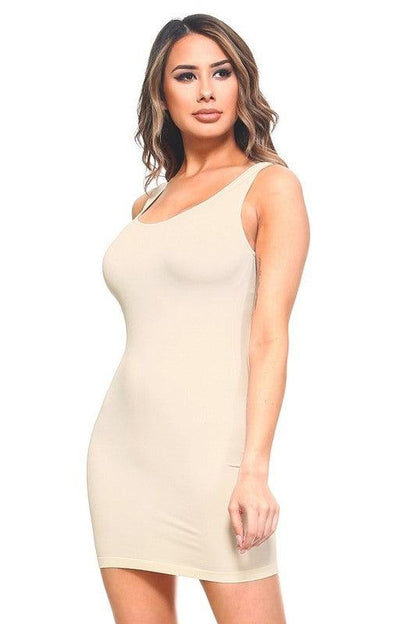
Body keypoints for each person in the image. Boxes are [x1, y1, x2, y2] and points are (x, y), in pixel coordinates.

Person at [87, 13, 309, 624]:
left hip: (218, 460)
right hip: (123, 454)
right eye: (186, 76)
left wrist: (254, 470)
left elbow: (270, 336)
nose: (206, 91)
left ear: (243, 85)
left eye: (222, 73)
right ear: (162, 93)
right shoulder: (147, 202)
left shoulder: (270, 187)